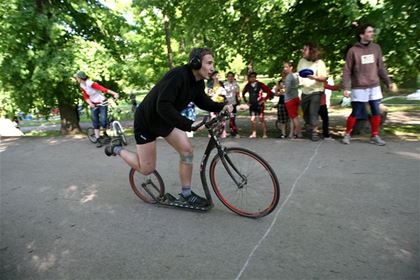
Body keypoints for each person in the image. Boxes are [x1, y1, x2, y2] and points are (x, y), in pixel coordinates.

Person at [104, 48, 232, 208]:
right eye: (209, 63)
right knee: (147, 169)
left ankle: (186, 194)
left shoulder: (197, 82)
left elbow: (203, 101)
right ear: (196, 62)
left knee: (187, 151)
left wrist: (222, 106)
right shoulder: (178, 75)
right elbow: (162, 106)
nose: (212, 67)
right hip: (147, 122)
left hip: (164, 121)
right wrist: (188, 124)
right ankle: (116, 149)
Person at [341, 23, 393, 146]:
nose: (372, 34)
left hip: (374, 86)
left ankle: (375, 135)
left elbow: (381, 67)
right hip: (359, 87)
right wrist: (346, 88)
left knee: (376, 111)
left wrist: (388, 82)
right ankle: (347, 134)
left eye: (372, 31)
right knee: (356, 112)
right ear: (361, 35)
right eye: (369, 32)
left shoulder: (376, 48)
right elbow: (347, 70)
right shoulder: (353, 51)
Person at [75, 71, 119, 147]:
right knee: (95, 121)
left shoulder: (90, 83)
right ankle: (98, 139)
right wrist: (90, 103)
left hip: (102, 103)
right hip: (94, 105)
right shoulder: (82, 85)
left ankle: (105, 133)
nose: (76, 79)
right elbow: (85, 96)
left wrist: (114, 93)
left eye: (77, 77)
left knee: (103, 121)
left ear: (80, 78)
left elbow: (103, 89)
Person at [297, 42, 327, 141]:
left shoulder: (319, 63)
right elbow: (299, 73)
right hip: (305, 91)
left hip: (316, 91)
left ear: (312, 51)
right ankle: (309, 126)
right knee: (305, 112)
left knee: (313, 111)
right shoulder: (301, 61)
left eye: (305, 49)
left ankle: (314, 132)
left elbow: (323, 78)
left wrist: (314, 77)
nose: (303, 51)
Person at [242, 72, 273, 138]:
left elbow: (269, 92)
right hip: (252, 104)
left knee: (261, 118)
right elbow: (243, 93)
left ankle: (265, 133)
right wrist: (246, 102)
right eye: (251, 77)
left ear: (255, 77)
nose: (252, 78)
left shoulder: (260, 84)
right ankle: (254, 133)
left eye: (254, 77)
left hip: (259, 104)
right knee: (252, 119)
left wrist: (264, 100)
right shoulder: (248, 85)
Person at [283, 61, 301, 139]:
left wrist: (283, 91)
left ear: (291, 68)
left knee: (294, 117)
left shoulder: (289, 77)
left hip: (290, 100)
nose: (285, 69)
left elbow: (288, 89)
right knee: (292, 117)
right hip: (296, 97)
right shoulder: (295, 75)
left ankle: (297, 133)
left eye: (286, 67)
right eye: (284, 67)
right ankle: (292, 134)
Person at [208, 71, 227, 138]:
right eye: (215, 75)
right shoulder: (210, 83)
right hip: (212, 103)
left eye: (218, 75)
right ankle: (212, 133)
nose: (217, 76)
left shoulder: (221, 83)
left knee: (222, 118)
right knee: (212, 118)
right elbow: (209, 93)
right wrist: (215, 94)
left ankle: (223, 132)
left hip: (221, 103)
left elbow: (225, 93)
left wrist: (220, 93)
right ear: (212, 76)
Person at [223, 71, 241, 138]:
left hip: (233, 104)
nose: (230, 78)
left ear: (233, 77)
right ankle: (222, 132)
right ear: (227, 77)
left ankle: (233, 132)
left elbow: (238, 94)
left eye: (231, 76)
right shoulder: (224, 84)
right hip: (225, 104)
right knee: (223, 118)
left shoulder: (236, 85)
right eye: (229, 76)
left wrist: (239, 100)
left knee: (232, 118)